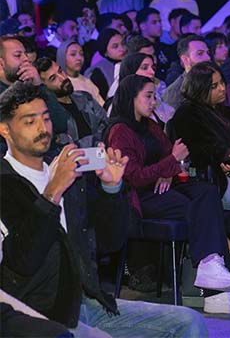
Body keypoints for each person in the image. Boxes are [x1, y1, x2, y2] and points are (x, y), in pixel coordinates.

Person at [0, 81, 208, 336]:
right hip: (39, 315)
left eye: (46, 118)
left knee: (190, 322)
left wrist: (111, 188)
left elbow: (110, 242)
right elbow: (23, 261)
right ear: (5, 129)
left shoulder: (66, 171)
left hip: (86, 302)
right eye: (30, 122)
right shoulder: (7, 184)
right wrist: (52, 192)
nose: (43, 128)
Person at [107, 74, 230, 315]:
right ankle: (215, 285)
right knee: (197, 208)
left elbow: (176, 156)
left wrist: (168, 169)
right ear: (131, 98)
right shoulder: (120, 131)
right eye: (148, 96)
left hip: (163, 187)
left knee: (207, 192)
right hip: (140, 198)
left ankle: (212, 268)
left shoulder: (151, 126)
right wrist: (169, 164)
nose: (154, 102)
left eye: (154, 96)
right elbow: (135, 177)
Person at [36, 57, 110, 149]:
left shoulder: (84, 97)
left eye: (60, 71)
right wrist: (93, 142)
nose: (62, 78)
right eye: (53, 78)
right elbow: (61, 145)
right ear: (45, 87)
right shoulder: (50, 114)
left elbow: (106, 125)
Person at [161, 34, 212, 109]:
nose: (208, 58)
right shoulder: (174, 93)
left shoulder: (215, 81)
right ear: (185, 59)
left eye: (208, 53)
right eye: (200, 54)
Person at [57, 38, 104, 106]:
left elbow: (102, 105)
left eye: (81, 54)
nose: (79, 58)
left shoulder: (87, 81)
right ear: (62, 57)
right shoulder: (61, 85)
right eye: (73, 54)